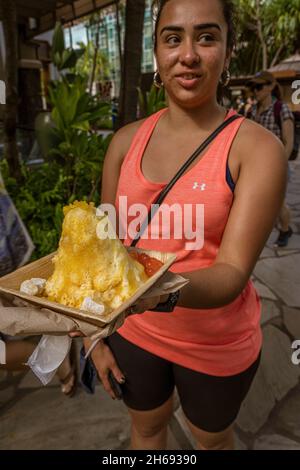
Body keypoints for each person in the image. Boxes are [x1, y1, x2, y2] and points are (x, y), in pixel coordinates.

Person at [78, 0, 286, 450]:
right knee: (147, 430)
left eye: (207, 37)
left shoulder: (256, 150)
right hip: (136, 332)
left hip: (216, 343)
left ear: (228, 52)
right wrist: (95, 334)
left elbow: (231, 273)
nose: (188, 54)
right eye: (173, 38)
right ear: (157, 51)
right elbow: (102, 254)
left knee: (211, 443)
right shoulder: (123, 144)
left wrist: (140, 289)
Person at [246, 70, 295, 247]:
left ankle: (285, 230)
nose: (255, 91)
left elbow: (288, 141)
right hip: (256, 166)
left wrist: (280, 166)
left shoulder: (281, 109)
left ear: (271, 86)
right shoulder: (252, 111)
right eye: (253, 87)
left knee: (277, 201)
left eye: (259, 87)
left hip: (276, 165)